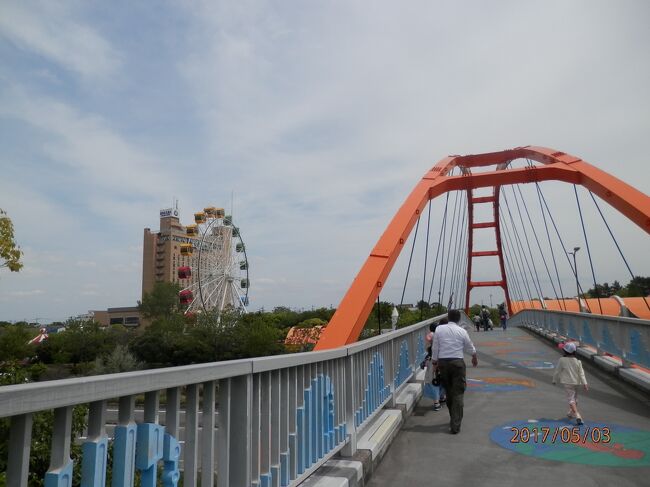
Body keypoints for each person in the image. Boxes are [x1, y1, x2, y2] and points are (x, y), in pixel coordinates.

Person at [431, 309, 478, 434]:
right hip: (457, 363)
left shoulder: (439, 329)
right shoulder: (462, 331)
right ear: (458, 319)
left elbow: (435, 347)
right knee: (458, 393)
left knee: (448, 391)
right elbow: (469, 346)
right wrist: (474, 356)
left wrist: (435, 363)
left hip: (443, 364)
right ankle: (455, 424)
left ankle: (453, 417)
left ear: (448, 317)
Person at [552, 341, 588, 425]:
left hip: (567, 383)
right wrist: (585, 383)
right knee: (575, 399)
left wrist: (554, 380)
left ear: (565, 351)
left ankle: (577, 415)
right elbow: (581, 373)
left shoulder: (562, 360)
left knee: (571, 399)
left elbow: (557, 371)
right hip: (576, 382)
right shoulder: (578, 361)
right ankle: (570, 413)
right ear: (574, 351)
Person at [423, 319, 447, 411]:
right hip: (444, 361)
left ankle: (436, 403)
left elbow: (428, 346)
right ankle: (442, 397)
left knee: (433, 381)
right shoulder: (443, 336)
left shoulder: (432, 336)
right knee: (442, 380)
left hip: (433, 362)